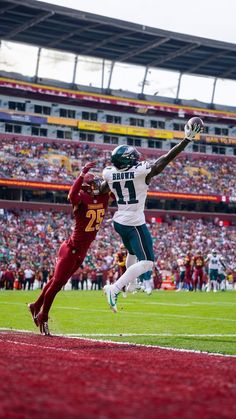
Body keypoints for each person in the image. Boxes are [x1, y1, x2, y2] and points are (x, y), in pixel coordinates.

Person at [101, 118, 203, 312]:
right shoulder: (140, 172)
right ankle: (114, 288)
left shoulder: (109, 173)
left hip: (119, 221)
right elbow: (164, 160)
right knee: (147, 262)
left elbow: (102, 188)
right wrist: (186, 140)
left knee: (131, 252)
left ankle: (129, 285)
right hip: (134, 222)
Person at [28, 161, 110, 335]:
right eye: (93, 182)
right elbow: (72, 194)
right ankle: (43, 315)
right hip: (70, 249)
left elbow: (114, 188)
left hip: (81, 251)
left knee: (56, 282)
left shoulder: (103, 197)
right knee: (57, 284)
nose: (96, 184)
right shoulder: (81, 197)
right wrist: (82, 174)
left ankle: (35, 305)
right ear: (86, 186)